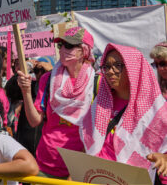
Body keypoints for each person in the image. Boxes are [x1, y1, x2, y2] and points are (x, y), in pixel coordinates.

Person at [80, 43, 167, 184]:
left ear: (133, 69)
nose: (110, 71)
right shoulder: (100, 104)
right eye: (106, 66)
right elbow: (89, 144)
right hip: (98, 178)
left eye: (117, 65)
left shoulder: (157, 113)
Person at [17, 27, 96, 179]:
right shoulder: (48, 80)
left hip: (78, 168)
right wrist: (26, 92)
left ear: (84, 51)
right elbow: (34, 121)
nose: (63, 49)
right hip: (45, 164)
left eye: (70, 45)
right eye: (61, 45)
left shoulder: (95, 83)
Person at [5, 57, 53, 155]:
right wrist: (26, 68)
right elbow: (9, 89)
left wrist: (51, 71)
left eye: (43, 70)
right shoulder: (29, 87)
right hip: (24, 146)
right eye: (37, 70)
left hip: (45, 148)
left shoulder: (57, 93)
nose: (40, 74)